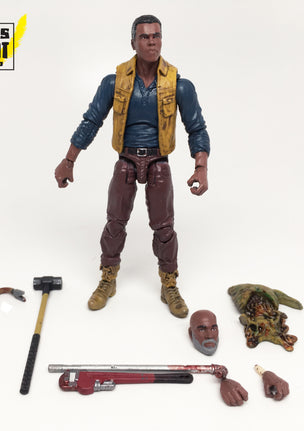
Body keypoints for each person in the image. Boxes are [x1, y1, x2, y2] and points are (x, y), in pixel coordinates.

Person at [55, 15, 210, 318]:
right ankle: (108, 277)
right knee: (115, 223)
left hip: (158, 160)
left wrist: (201, 166)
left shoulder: (179, 85)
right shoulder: (114, 82)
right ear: (133, 43)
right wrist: (69, 160)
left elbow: (197, 128)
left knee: (164, 228)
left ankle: (169, 283)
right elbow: (91, 120)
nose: (151, 42)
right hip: (126, 159)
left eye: (156, 36)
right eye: (144, 37)